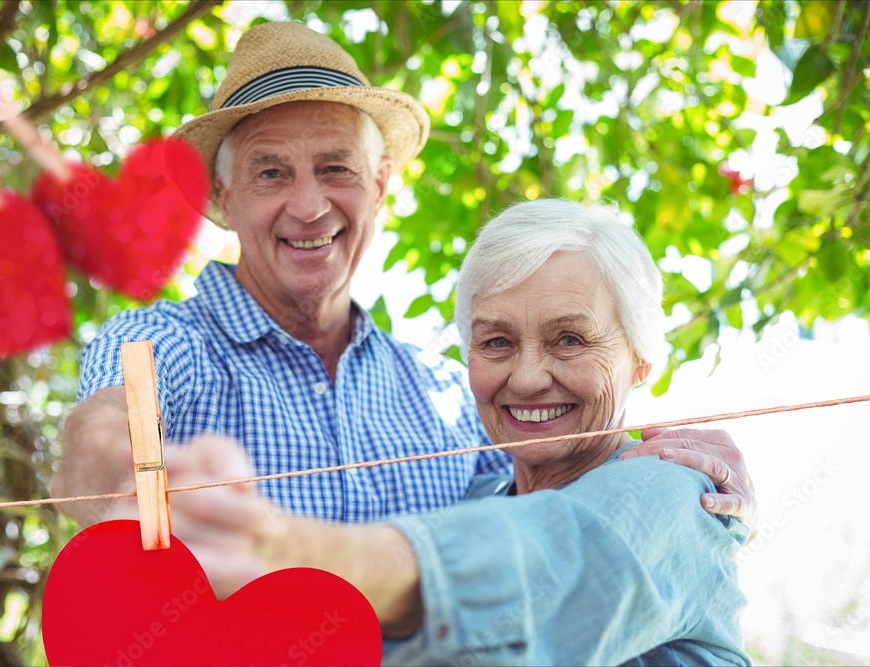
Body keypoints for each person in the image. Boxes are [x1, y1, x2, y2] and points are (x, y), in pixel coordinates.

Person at [50, 22, 755, 558]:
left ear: (380, 185)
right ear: (224, 197)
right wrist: (122, 467)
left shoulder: (449, 393)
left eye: (336, 168)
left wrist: (691, 482)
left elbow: (561, 504)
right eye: (271, 174)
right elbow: (99, 434)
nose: (308, 206)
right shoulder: (163, 343)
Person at [170, 199, 750, 666]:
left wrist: (280, 552)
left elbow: (550, 566)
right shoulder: (478, 497)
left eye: (569, 340)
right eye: (496, 341)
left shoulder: (677, 489)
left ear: (642, 359)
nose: (525, 378)